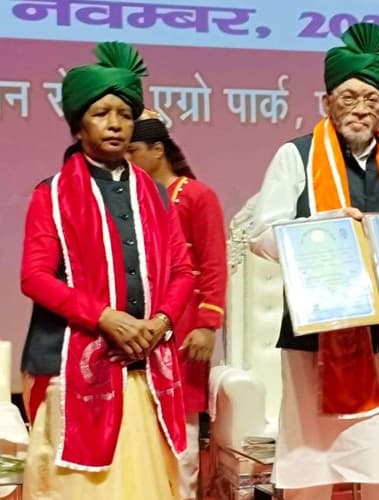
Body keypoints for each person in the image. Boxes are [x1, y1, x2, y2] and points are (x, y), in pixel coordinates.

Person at [248, 22, 379, 500]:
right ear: (327, 102)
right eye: (349, 98)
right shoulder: (296, 155)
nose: (361, 109)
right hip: (316, 335)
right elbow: (261, 235)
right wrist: (324, 229)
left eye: (372, 99)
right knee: (313, 463)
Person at [19, 41, 193, 499]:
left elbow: (182, 270)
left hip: (145, 363)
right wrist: (105, 318)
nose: (115, 123)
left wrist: (161, 322)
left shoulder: (154, 193)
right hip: (72, 364)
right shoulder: (51, 194)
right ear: (79, 126)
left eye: (124, 114)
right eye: (101, 113)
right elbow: (35, 277)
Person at [127, 111, 228, 500]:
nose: (126, 158)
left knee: (181, 428)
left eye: (133, 150)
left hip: (186, 328)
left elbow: (214, 263)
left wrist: (207, 324)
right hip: (142, 325)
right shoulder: (134, 198)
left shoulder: (197, 196)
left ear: (157, 150)